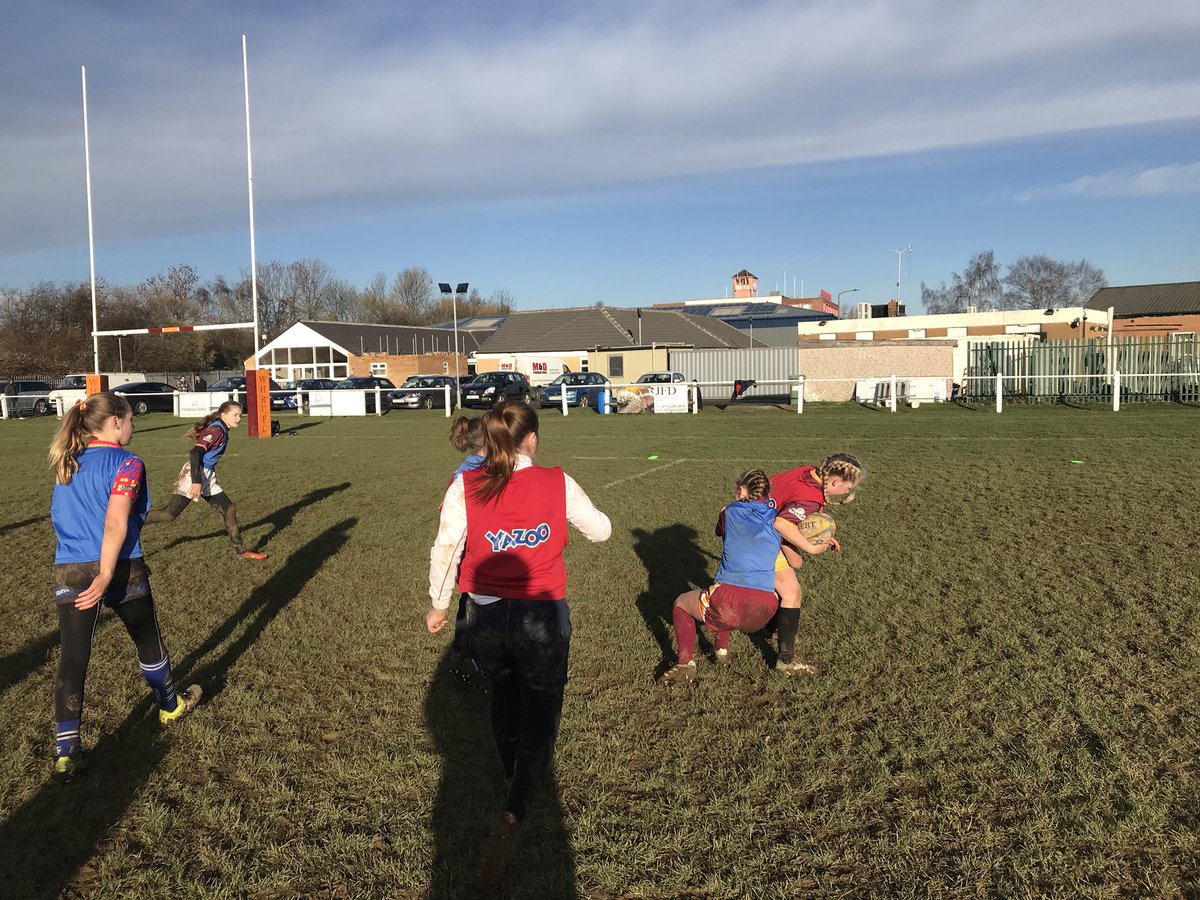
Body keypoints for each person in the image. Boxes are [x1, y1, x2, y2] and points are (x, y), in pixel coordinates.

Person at [425, 400, 611, 893]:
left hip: (485, 615)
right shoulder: (556, 481)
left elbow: (447, 546)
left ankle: (511, 773)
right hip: (542, 615)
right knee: (543, 708)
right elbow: (600, 532)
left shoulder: (466, 484)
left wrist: (439, 605)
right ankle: (516, 806)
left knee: (504, 693)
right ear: (531, 438)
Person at [48, 393, 201, 780]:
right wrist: (104, 573)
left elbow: (79, 515)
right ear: (116, 422)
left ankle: (66, 753)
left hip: (69, 568)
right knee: (147, 638)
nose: (134, 426)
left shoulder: (68, 462)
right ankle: (170, 706)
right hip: (118, 566)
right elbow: (116, 522)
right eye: (131, 419)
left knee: (72, 658)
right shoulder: (128, 462)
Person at [658, 468, 784, 684]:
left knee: (682, 603)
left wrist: (727, 510)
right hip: (767, 607)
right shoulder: (779, 518)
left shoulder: (729, 512)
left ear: (742, 489)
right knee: (717, 592)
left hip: (729, 601)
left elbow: (720, 531)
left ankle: (685, 663)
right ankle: (721, 652)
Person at [768, 453, 864, 674]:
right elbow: (782, 524)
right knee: (792, 592)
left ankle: (769, 626)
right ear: (835, 481)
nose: (848, 492)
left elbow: (788, 503)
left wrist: (821, 535)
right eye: (848, 488)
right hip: (757, 537)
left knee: (793, 566)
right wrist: (812, 547)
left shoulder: (809, 472)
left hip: (748, 522)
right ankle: (786, 662)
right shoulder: (810, 497)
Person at [144, 400, 268, 560]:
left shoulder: (221, 428)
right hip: (195, 473)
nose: (239, 418)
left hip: (207, 474)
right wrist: (196, 481)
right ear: (224, 415)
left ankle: (241, 551)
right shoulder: (217, 430)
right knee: (169, 515)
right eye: (235, 415)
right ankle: (130, 521)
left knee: (228, 509)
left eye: (240, 415)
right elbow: (195, 453)